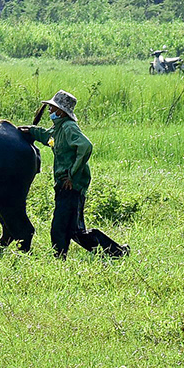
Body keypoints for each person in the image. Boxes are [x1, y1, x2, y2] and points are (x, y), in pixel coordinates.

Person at [21, 90, 128, 259]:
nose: (49, 110)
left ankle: (113, 252)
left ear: (61, 111)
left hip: (72, 184)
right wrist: (31, 131)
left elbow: (85, 146)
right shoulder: (59, 128)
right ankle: (115, 252)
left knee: (63, 227)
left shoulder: (69, 127)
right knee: (73, 229)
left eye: (53, 108)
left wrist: (72, 174)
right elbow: (49, 138)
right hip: (64, 184)